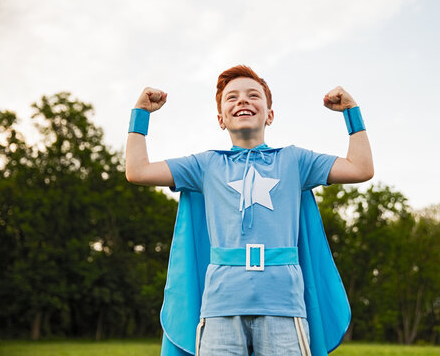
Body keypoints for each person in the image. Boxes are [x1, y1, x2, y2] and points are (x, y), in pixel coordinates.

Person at [125, 65, 374, 356]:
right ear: (221, 119)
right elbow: (137, 171)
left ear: (269, 114)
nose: (242, 101)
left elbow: (361, 168)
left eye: (253, 95)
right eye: (231, 97)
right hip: (220, 306)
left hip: (284, 304)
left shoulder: (295, 161)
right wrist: (140, 114)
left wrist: (351, 111)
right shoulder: (205, 165)